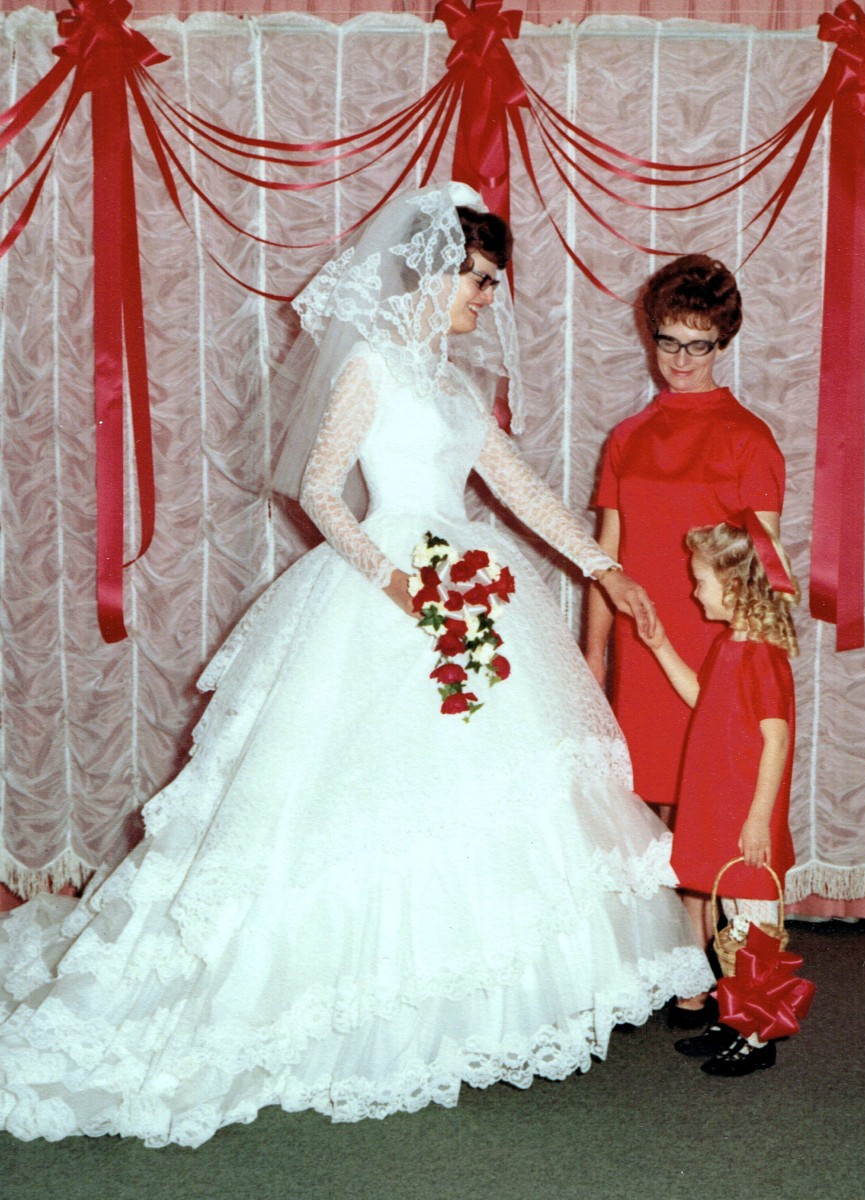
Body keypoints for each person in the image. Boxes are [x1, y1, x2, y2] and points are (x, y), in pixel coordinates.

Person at [0, 183, 712, 1147]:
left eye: (491, 282)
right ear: (434, 271)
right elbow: (318, 490)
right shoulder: (371, 364)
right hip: (387, 586)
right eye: (478, 279)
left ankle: (475, 1007)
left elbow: (516, 487)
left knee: (492, 790)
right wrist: (397, 583)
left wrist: (604, 568)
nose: (487, 298)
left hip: (468, 585)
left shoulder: (455, 385)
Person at [585, 254, 785, 1026]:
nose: (678, 359)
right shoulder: (627, 437)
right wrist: (594, 655)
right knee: (653, 816)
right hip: (644, 649)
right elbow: (605, 557)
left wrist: (756, 664)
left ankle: (714, 980)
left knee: (708, 817)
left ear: (722, 342)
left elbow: (764, 566)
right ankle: (681, 967)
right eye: (667, 341)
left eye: (697, 345)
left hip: (711, 650)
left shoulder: (748, 439)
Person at [639, 515, 798, 1076]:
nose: (694, 590)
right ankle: (736, 1021)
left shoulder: (763, 656)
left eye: (701, 580)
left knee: (754, 930)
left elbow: (776, 740)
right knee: (734, 924)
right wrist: (660, 646)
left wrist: (758, 820)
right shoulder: (730, 646)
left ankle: (758, 1037)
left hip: (745, 815)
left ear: (734, 585)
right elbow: (701, 697)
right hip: (720, 807)